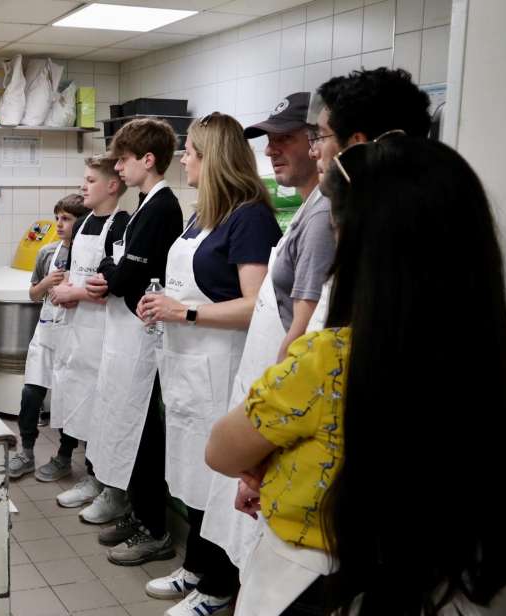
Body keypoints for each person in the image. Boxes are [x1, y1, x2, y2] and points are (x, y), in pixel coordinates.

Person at [206, 136, 506, 616]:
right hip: (436, 585)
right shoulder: (483, 362)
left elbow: (222, 450)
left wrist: (265, 462)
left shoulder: (328, 360)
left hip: (316, 584)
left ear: (364, 248)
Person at [136, 112, 281, 615]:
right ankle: (197, 567)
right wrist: (160, 303)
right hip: (186, 365)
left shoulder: (250, 216)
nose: (183, 159)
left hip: (221, 367)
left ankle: (218, 586)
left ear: (212, 157)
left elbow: (256, 304)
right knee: (195, 474)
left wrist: (186, 310)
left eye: (191, 151)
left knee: (220, 481)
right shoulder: (203, 213)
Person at [199, 93, 335, 574]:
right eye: (269, 141)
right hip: (270, 397)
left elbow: (300, 340)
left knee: (267, 556)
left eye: (287, 138)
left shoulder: (321, 218)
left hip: (282, 401)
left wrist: (265, 438)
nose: (274, 150)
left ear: (319, 143)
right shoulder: (307, 210)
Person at [79, 118, 183, 558]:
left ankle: (155, 531)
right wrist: (112, 270)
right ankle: (139, 514)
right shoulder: (145, 203)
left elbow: (124, 277)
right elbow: (115, 265)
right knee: (127, 427)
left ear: (148, 159)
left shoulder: (162, 207)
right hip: (127, 334)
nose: (117, 168)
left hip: (144, 337)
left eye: (123, 159)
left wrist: (110, 273)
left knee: (144, 434)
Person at [44, 155, 131, 498]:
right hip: (77, 330)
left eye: (90, 180)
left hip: (105, 332)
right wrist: (64, 289)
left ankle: (104, 483)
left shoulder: (122, 224)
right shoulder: (82, 225)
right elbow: (78, 274)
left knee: (102, 410)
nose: (83, 186)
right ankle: (89, 474)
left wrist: (75, 292)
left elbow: (110, 287)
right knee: (79, 402)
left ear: (112, 186)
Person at [8, 194, 90, 479]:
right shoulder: (47, 253)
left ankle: (64, 457)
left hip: (72, 336)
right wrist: (46, 282)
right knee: (30, 395)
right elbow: (33, 294)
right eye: (58, 217)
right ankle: (26, 452)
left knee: (67, 399)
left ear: (82, 221)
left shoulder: (88, 258)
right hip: (45, 335)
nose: (59, 224)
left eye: (66, 219)